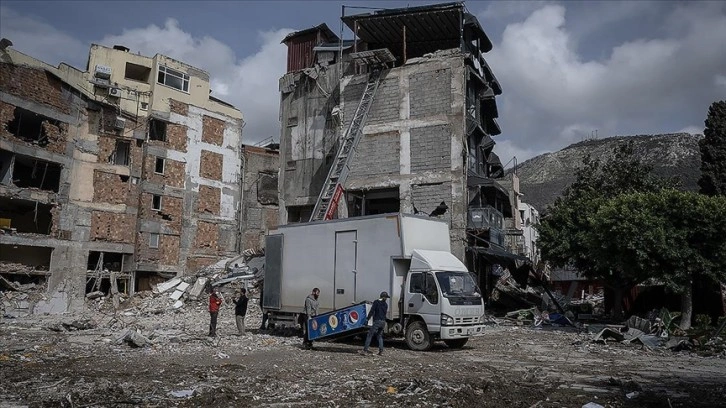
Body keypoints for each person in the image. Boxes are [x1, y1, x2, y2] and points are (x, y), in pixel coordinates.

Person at [359, 291, 389, 356]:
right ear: (384, 297)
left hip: (377, 321)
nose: (386, 299)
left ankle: (365, 350)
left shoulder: (376, 302)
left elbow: (372, 311)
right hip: (383, 322)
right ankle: (381, 351)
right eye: (386, 297)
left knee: (369, 335)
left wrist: (367, 319)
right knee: (379, 336)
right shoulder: (386, 305)